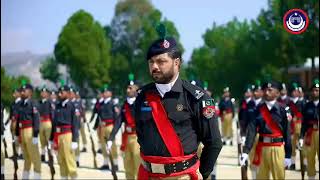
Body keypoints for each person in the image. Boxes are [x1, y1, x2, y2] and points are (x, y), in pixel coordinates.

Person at [134, 25, 222, 179]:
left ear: (176, 62)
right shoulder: (142, 97)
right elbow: (140, 135)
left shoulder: (197, 98)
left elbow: (213, 142)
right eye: (151, 62)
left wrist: (202, 173)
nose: (154, 66)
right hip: (148, 174)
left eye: (161, 61)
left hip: (182, 175)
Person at [240, 80, 292, 179]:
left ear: (277, 93)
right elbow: (251, 131)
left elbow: (287, 133)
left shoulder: (283, 109)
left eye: (270, 90)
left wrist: (288, 155)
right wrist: (246, 151)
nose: (266, 92)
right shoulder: (257, 109)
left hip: (278, 148)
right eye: (265, 90)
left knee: (279, 177)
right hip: (262, 148)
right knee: (261, 177)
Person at [107, 74, 141, 179]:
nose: (128, 90)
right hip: (126, 137)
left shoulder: (141, 104)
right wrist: (111, 138)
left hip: (138, 138)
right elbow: (118, 122)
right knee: (128, 166)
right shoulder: (125, 105)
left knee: (138, 166)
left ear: (136, 89)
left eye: (130, 88)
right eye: (127, 88)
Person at [49, 84, 79, 179]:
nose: (60, 94)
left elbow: (75, 124)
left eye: (62, 92)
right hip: (58, 135)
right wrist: (51, 138)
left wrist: (74, 140)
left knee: (70, 161)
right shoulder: (57, 106)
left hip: (67, 135)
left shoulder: (72, 106)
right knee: (61, 161)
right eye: (59, 92)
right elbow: (54, 124)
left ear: (68, 93)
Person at [15, 82, 41, 179]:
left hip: (30, 131)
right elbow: (18, 120)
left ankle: (37, 177)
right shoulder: (20, 104)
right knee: (26, 157)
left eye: (24, 91)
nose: (22, 92)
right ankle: (25, 177)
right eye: (21, 90)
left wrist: (35, 135)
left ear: (30, 92)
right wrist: (17, 134)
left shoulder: (33, 103)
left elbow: (36, 120)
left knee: (35, 157)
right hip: (22, 131)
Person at [94, 84, 119, 170]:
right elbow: (98, 115)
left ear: (110, 93)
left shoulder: (113, 103)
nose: (104, 93)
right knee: (103, 145)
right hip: (102, 126)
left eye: (106, 92)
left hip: (110, 126)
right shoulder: (101, 104)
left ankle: (115, 163)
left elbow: (116, 116)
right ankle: (106, 163)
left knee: (112, 145)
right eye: (103, 92)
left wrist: (116, 128)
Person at [299, 79, 319, 180]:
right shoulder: (307, 106)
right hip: (310, 133)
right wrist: (301, 137)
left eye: (317, 90)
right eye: (314, 90)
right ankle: (311, 177)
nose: (315, 92)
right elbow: (304, 123)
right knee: (310, 157)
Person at [288, 82, 304, 170]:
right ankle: (293, 163)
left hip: (300, 124)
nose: (295, 92)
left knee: (303, 146)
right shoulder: (289, 103)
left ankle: (304, 164)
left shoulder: (302, 102)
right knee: (292, 146)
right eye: (293, 91)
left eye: (296, 91)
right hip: (292, 126)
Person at [38, 85, 53, 162]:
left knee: (49, 140)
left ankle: (50, 156)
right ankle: (43, 155)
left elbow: (52, 113)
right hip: (41, 123)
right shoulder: (39, 102)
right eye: (42, 92)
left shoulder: (50, 102)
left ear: (47, 94)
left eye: (45, 92)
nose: (43, 93)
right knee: (42, 140)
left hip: (48, 122)